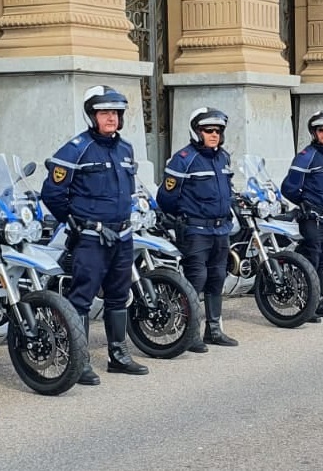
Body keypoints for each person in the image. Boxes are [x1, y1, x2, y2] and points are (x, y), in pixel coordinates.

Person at [42, 85, 149, 385]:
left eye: (115, 113)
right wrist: (73, 220)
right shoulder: (77, 149)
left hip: (123, 236)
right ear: (92, 116)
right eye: (105, 113)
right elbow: (52, 193)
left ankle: (119, 355)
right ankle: (81, 361)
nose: (111, 118)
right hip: (91, 238)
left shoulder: (126, 148)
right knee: (82, 298)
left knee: (118, 296)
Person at [158, 107, 237, 351]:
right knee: (196, 279)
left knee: (217, 278)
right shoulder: (184, 158)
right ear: (196, 131)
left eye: (218, 130)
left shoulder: (223, 157)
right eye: (208, 130)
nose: (214, 134)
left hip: (220, 229)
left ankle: (214, 330)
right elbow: (166, 197)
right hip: (196, 230)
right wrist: (185, 216)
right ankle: (190, 334)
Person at [281, 110, 323, 321]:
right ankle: (307, 306)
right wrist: (304, 202)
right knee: (313, 259)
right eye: (321, 130)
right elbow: (288, 187)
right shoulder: (306, 156)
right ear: (314, 132)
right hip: (313, 219)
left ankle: (321, 302)